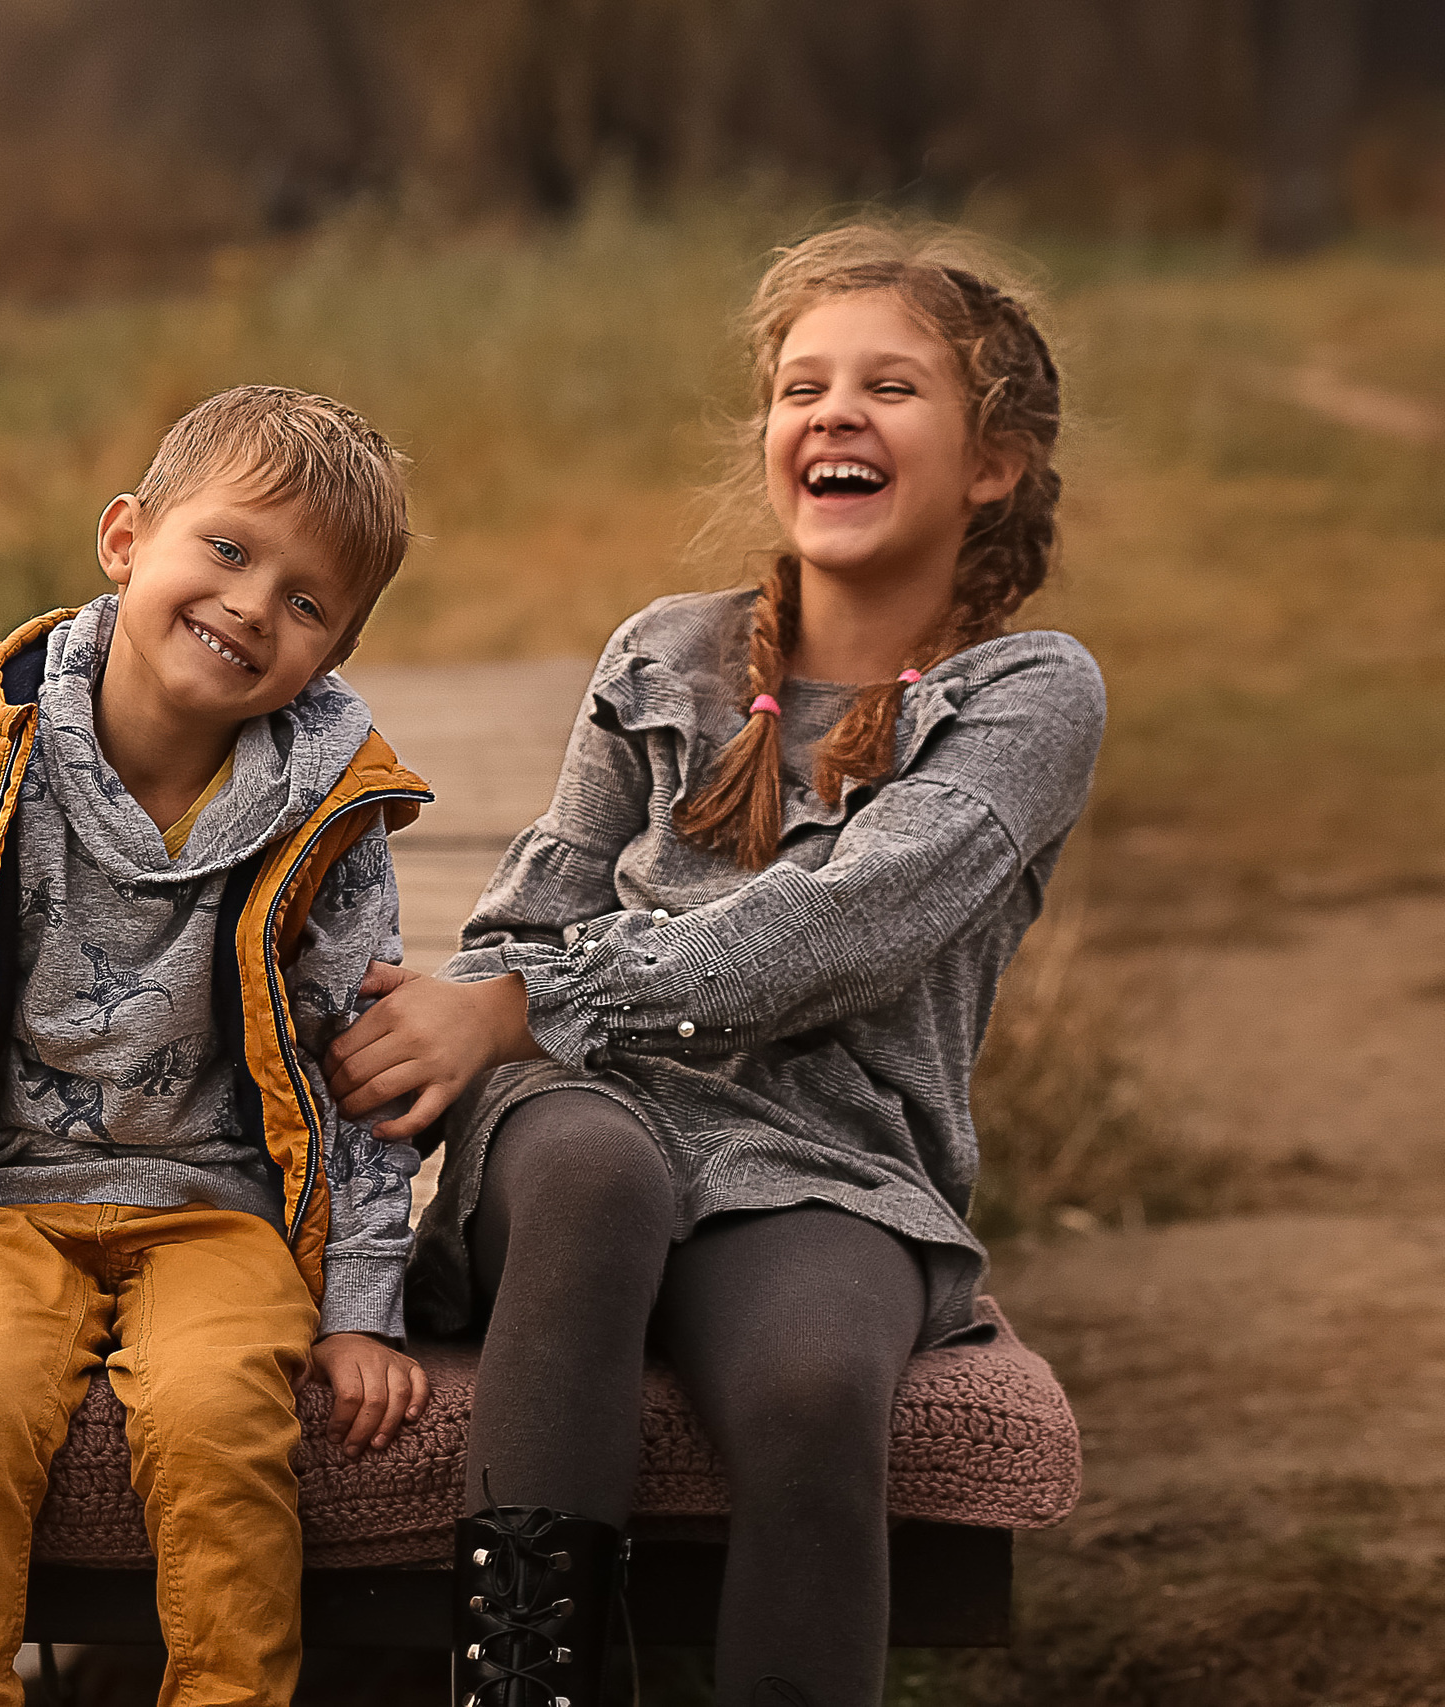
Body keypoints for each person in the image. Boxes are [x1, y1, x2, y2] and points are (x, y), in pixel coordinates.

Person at [324, 223, 1103, 1707]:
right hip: (584, 1110)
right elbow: (525, 922)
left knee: (815, 1388)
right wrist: (461, 1021)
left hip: (827, 1159)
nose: (835, 413)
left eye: (892, 386)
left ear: (993, 462)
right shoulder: (666, 657)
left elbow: (845, 921)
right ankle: (527, 1683)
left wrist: (519, 1002)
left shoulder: (1027, 697)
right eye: (802, 385)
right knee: (601, 1178)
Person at [0, 385, 434, 1707]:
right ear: (126, 538)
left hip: (220, 1208)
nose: (251, 605)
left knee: (220, 1425)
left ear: (335, 652)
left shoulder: (328, 813)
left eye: (307, 602)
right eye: (229, 551)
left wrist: (360, 1308)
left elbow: (360, 1063)